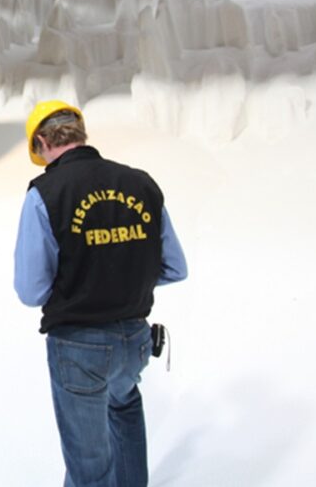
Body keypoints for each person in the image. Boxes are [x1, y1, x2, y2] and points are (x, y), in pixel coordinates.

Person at [14, 100, 187, 487]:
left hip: (80, 347)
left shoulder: (46, 193)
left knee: (89, 466)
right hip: (136, 341)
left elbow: (31, 289)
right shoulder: (140, 183)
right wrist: (121, 276)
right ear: (80, 132)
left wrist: (88, 279)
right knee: (124, 407)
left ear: (42, 141)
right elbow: (175, 267)